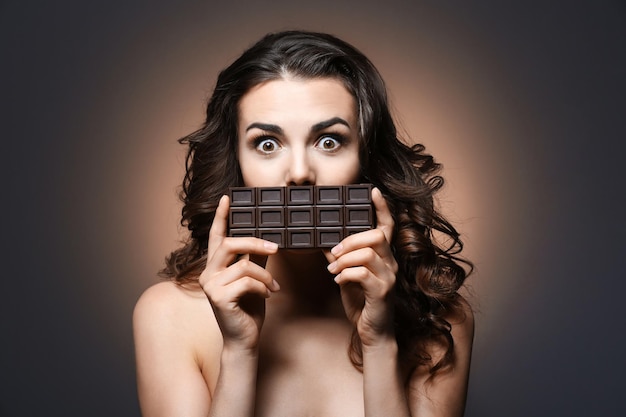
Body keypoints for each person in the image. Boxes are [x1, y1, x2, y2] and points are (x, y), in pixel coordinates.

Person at [133, 30, 474, 417]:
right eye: (267, 143)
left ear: (366, 157)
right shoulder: (169, 316)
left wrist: (379, 343)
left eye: (329, 141)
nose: (298, 173)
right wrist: (238, 351)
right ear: (237, 162)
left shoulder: (440, 321)